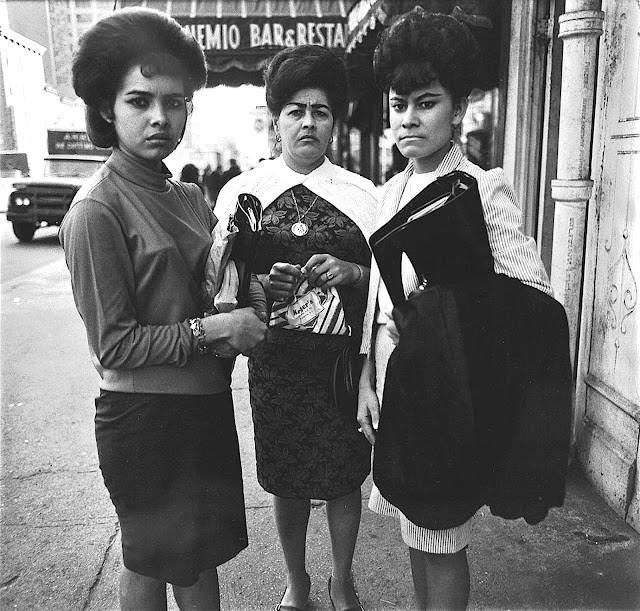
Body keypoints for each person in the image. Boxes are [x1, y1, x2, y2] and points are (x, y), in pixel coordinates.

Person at [60, 8, 268, 610]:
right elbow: (114, 345)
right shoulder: (96, 210)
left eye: (174, 102)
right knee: (157, 561)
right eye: (139, 100)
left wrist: (259, 295)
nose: (159, 117)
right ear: (107, 107)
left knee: (190, 559)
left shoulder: (187, 196)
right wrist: (215, 329)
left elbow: (213, 291)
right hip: (145, 417)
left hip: (203, 408)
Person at [357, 9, 554, 610]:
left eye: (426, 102)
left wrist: (452, 299)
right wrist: (365, 378)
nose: (409, 118)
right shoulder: (388, 192)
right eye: (398, 105)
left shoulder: (481, 187)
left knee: (442, 534)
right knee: (414, 528)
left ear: (459, 108)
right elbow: (375, 299)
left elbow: (534, 293)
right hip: (396, 381)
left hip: (449, 386)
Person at [216, 45, 378, 611]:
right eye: (295, 110)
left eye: (322, 110)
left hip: (340, 370)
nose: (308, 122)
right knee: (284, 478)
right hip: (275, 367)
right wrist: (266, 288)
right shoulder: (242, 195)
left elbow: (384, 284)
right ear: (275, 118)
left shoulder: (365, 198)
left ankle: (342, 578)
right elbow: (224, 290)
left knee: (342, 478)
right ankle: (298, 582)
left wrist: (353, 270)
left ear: (336, 120)